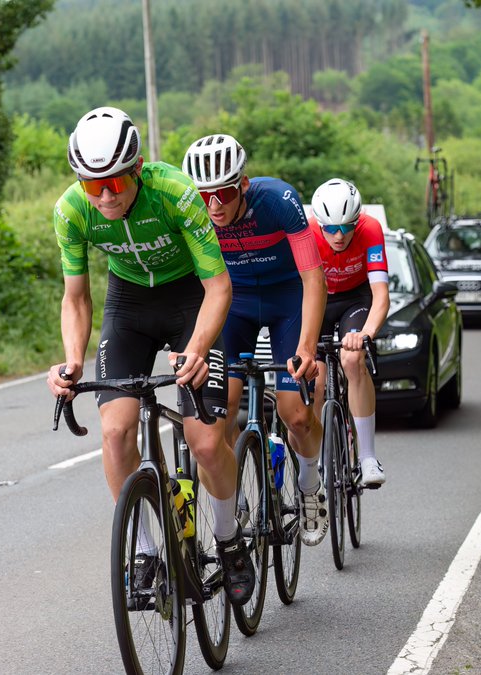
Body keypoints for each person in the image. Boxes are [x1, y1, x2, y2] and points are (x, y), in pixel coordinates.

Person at [46, 107, 255, 605]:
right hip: (130, 307)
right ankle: (144, 552)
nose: (106, 196)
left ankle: (229, 540)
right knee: (116, 432)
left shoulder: (175, 193)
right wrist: (72, 361)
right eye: (93, 186)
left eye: (115, 182)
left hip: (190, 301)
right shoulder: (71, 210)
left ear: (137, 168)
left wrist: (198, 349)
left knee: (206, 443)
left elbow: (219, 286)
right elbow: (76, 298)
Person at [181, 134, 331, 546]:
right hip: (234, 303)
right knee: (221, 410)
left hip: (287, 299)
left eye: (224, 193)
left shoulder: (279, 200)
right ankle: (235, 496)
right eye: (204, 195)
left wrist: (306, 348)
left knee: (295, 414)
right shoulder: (191, 214)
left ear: (243, 185)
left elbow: (313, 278)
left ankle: (309, 483)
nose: (214, 205)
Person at [308, 178, 390, 487]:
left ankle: (368, 457)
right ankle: (317, 455)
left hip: (355, 299)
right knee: (314, 377)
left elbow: (380, 295)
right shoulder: (306, 232)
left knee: (353, 359)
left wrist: (366, 334)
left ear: (357, 220)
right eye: (331, 229)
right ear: (320, 223)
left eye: (346, 227)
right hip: (318, 299)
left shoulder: (370, 229)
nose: (339, 236)